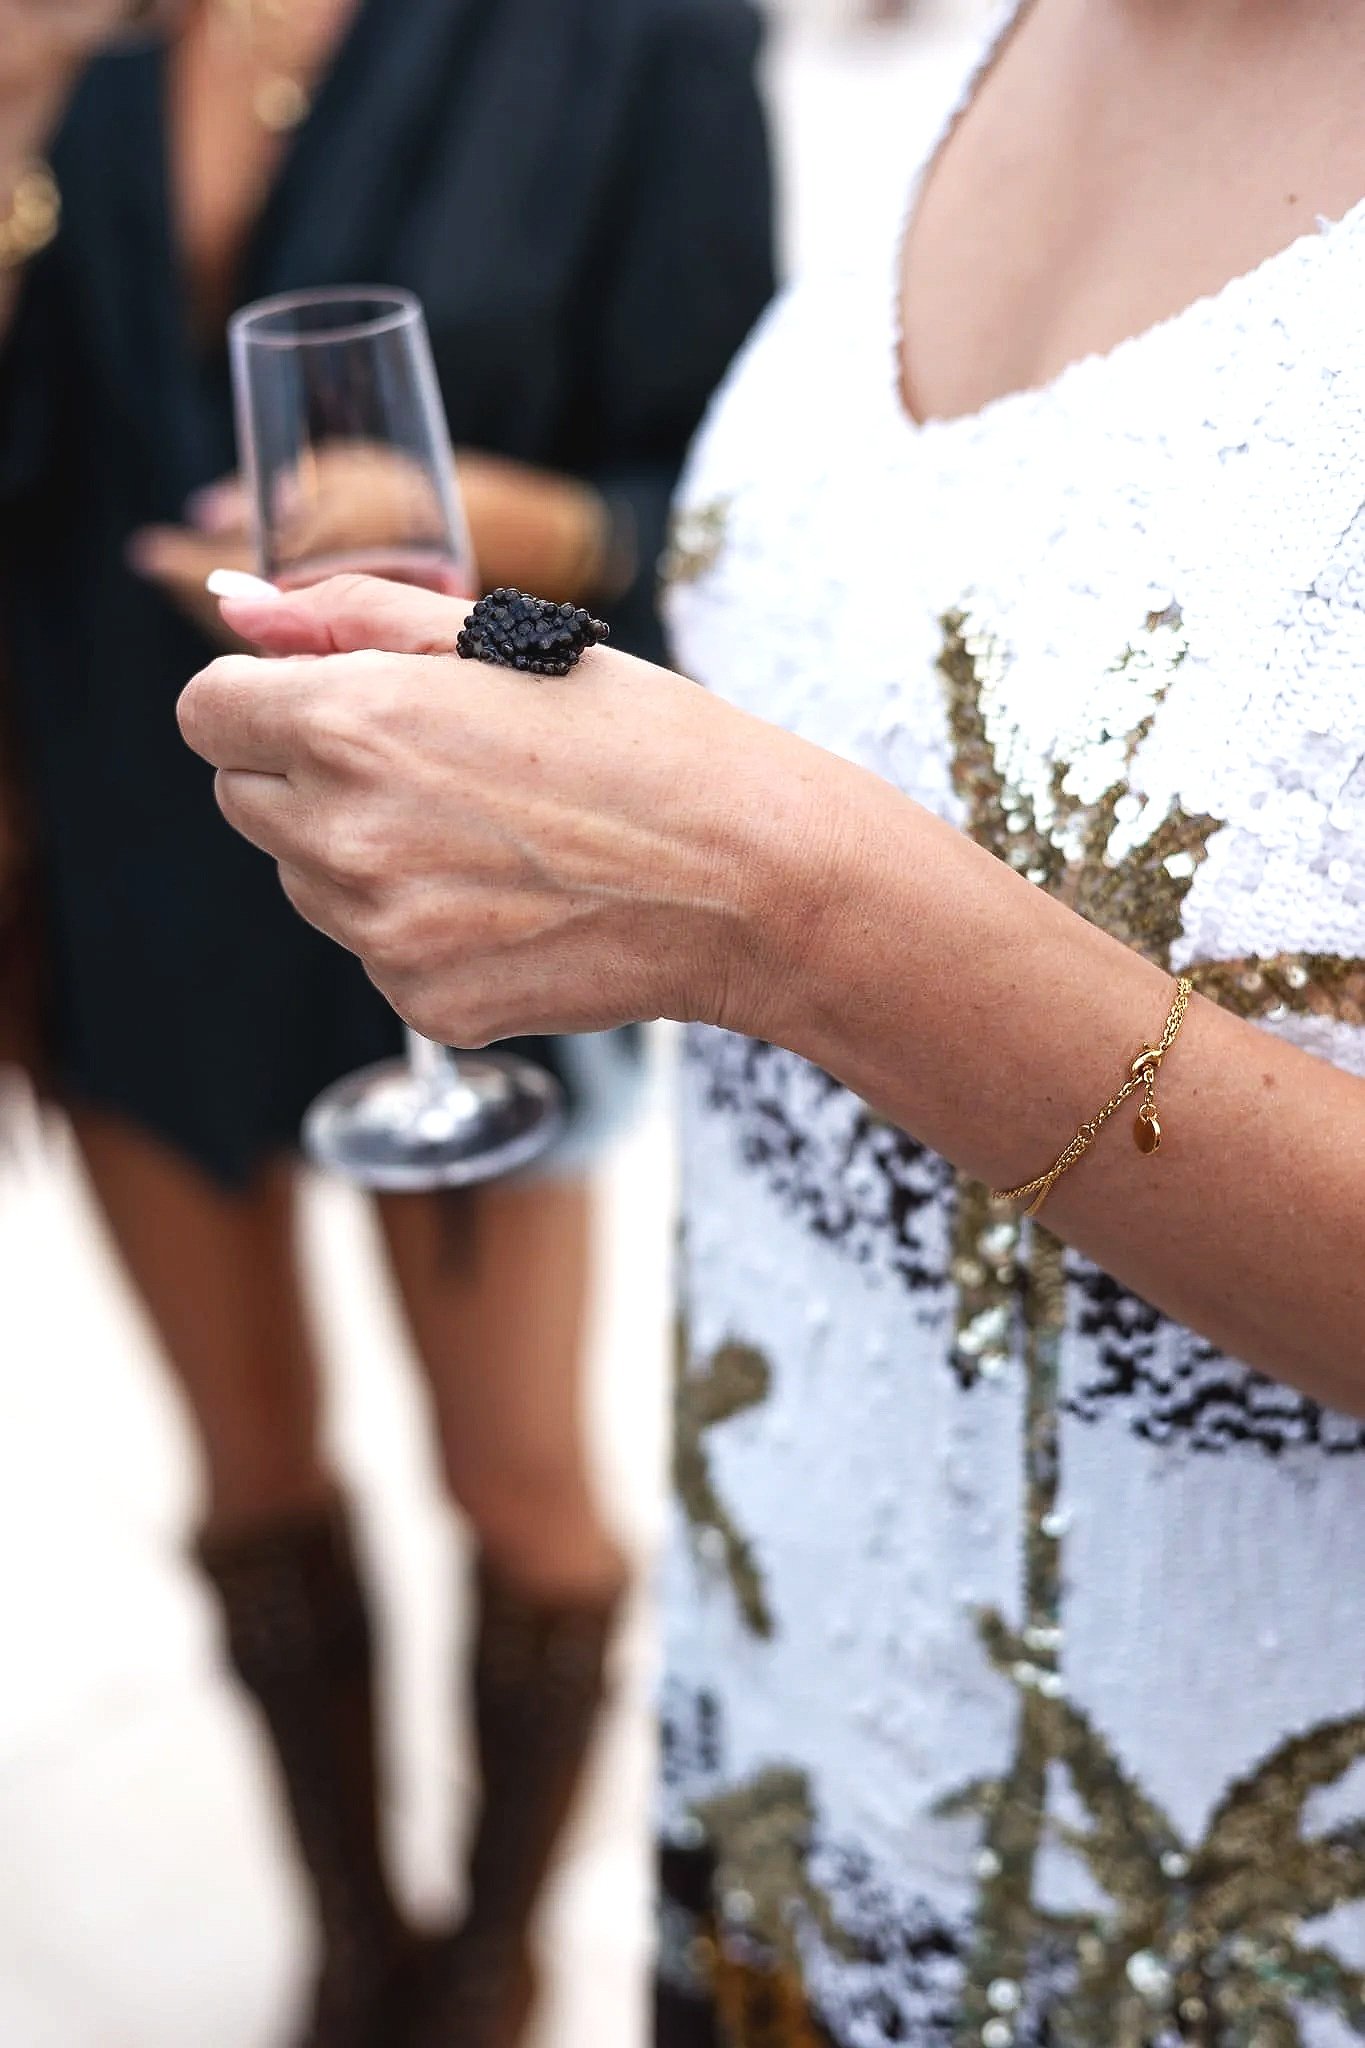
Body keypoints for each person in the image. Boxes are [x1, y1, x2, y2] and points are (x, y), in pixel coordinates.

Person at [183, 0, 1365, 2041]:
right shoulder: (984, 46)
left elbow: (802, 879)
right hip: (783, 1789)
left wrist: (789, 918)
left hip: (1204, 1913)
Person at [0, 3, 773, 2045]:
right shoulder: (81, 35)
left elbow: (728, 513)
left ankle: (496, 1959)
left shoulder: (630, 44)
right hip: (121, 832)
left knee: (516, 1479)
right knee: (246, 1469)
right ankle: (351, 1938)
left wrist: (487, 536)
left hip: (459, 870)